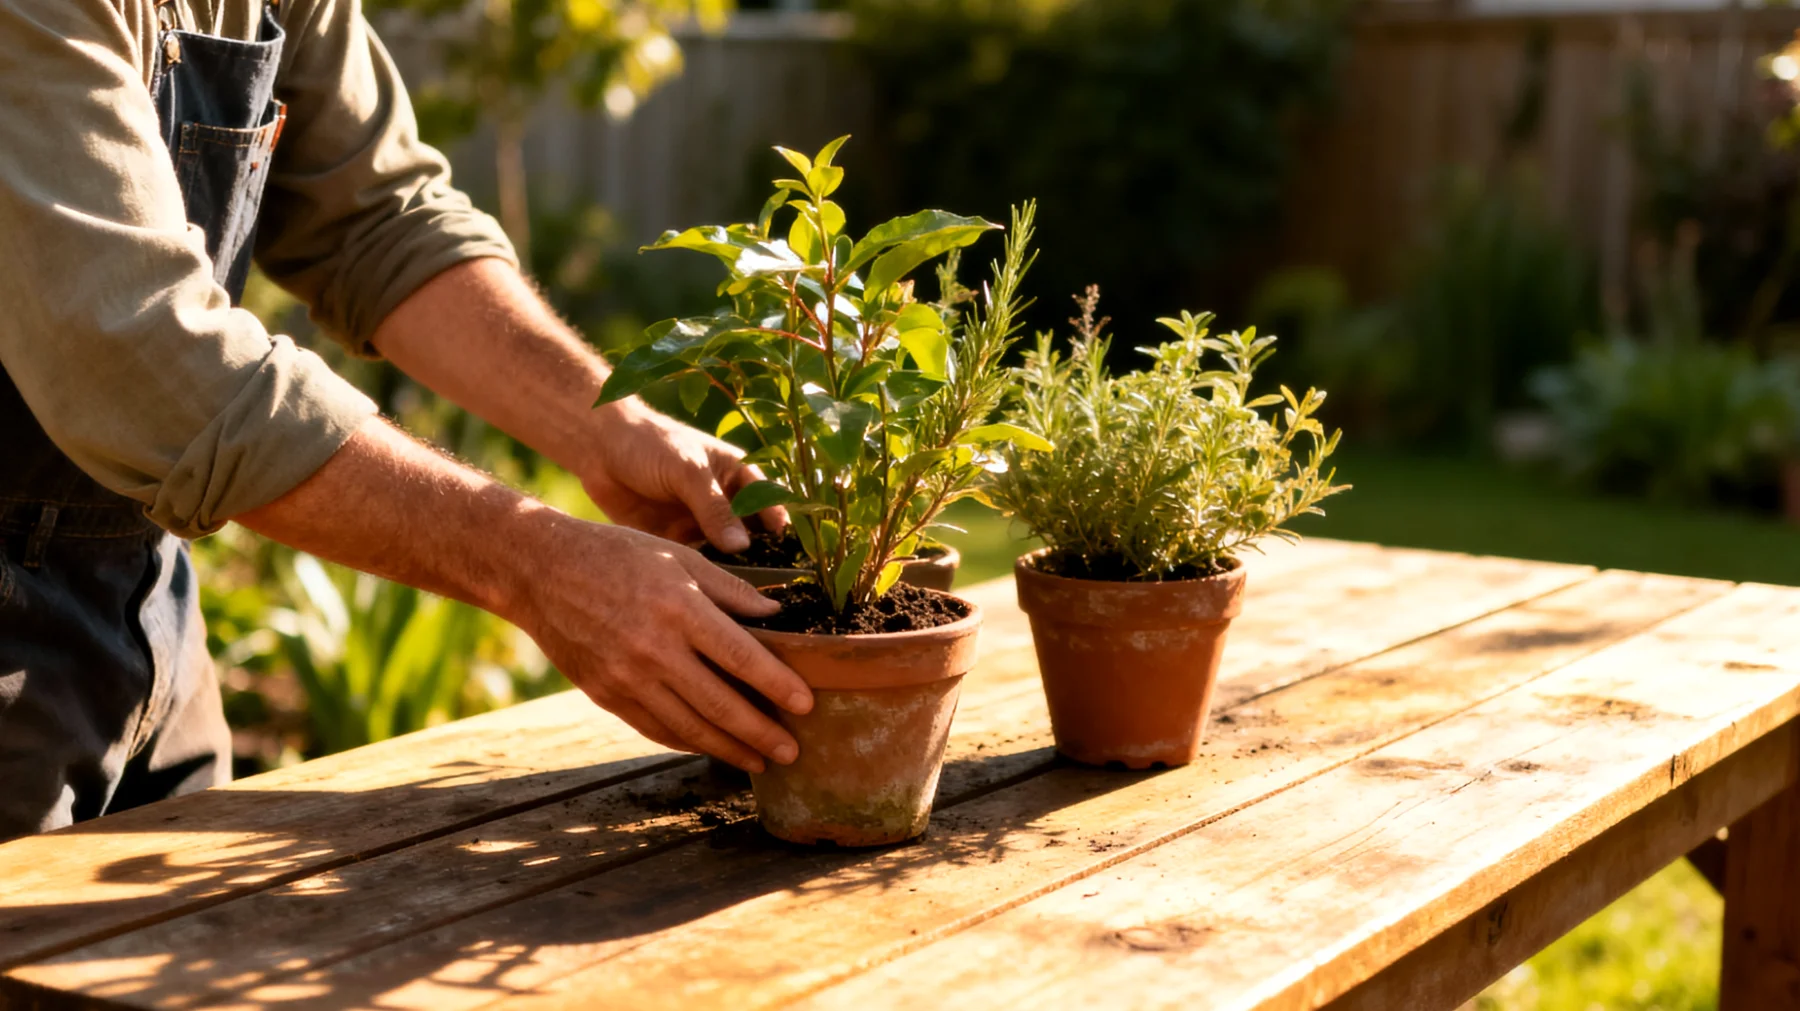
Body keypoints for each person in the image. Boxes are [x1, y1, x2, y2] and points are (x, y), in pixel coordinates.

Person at [0, 0, 813, 842]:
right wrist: (535, 563)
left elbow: (378, 218)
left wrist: (610, 422)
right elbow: (143, 353)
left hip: (148, 598)